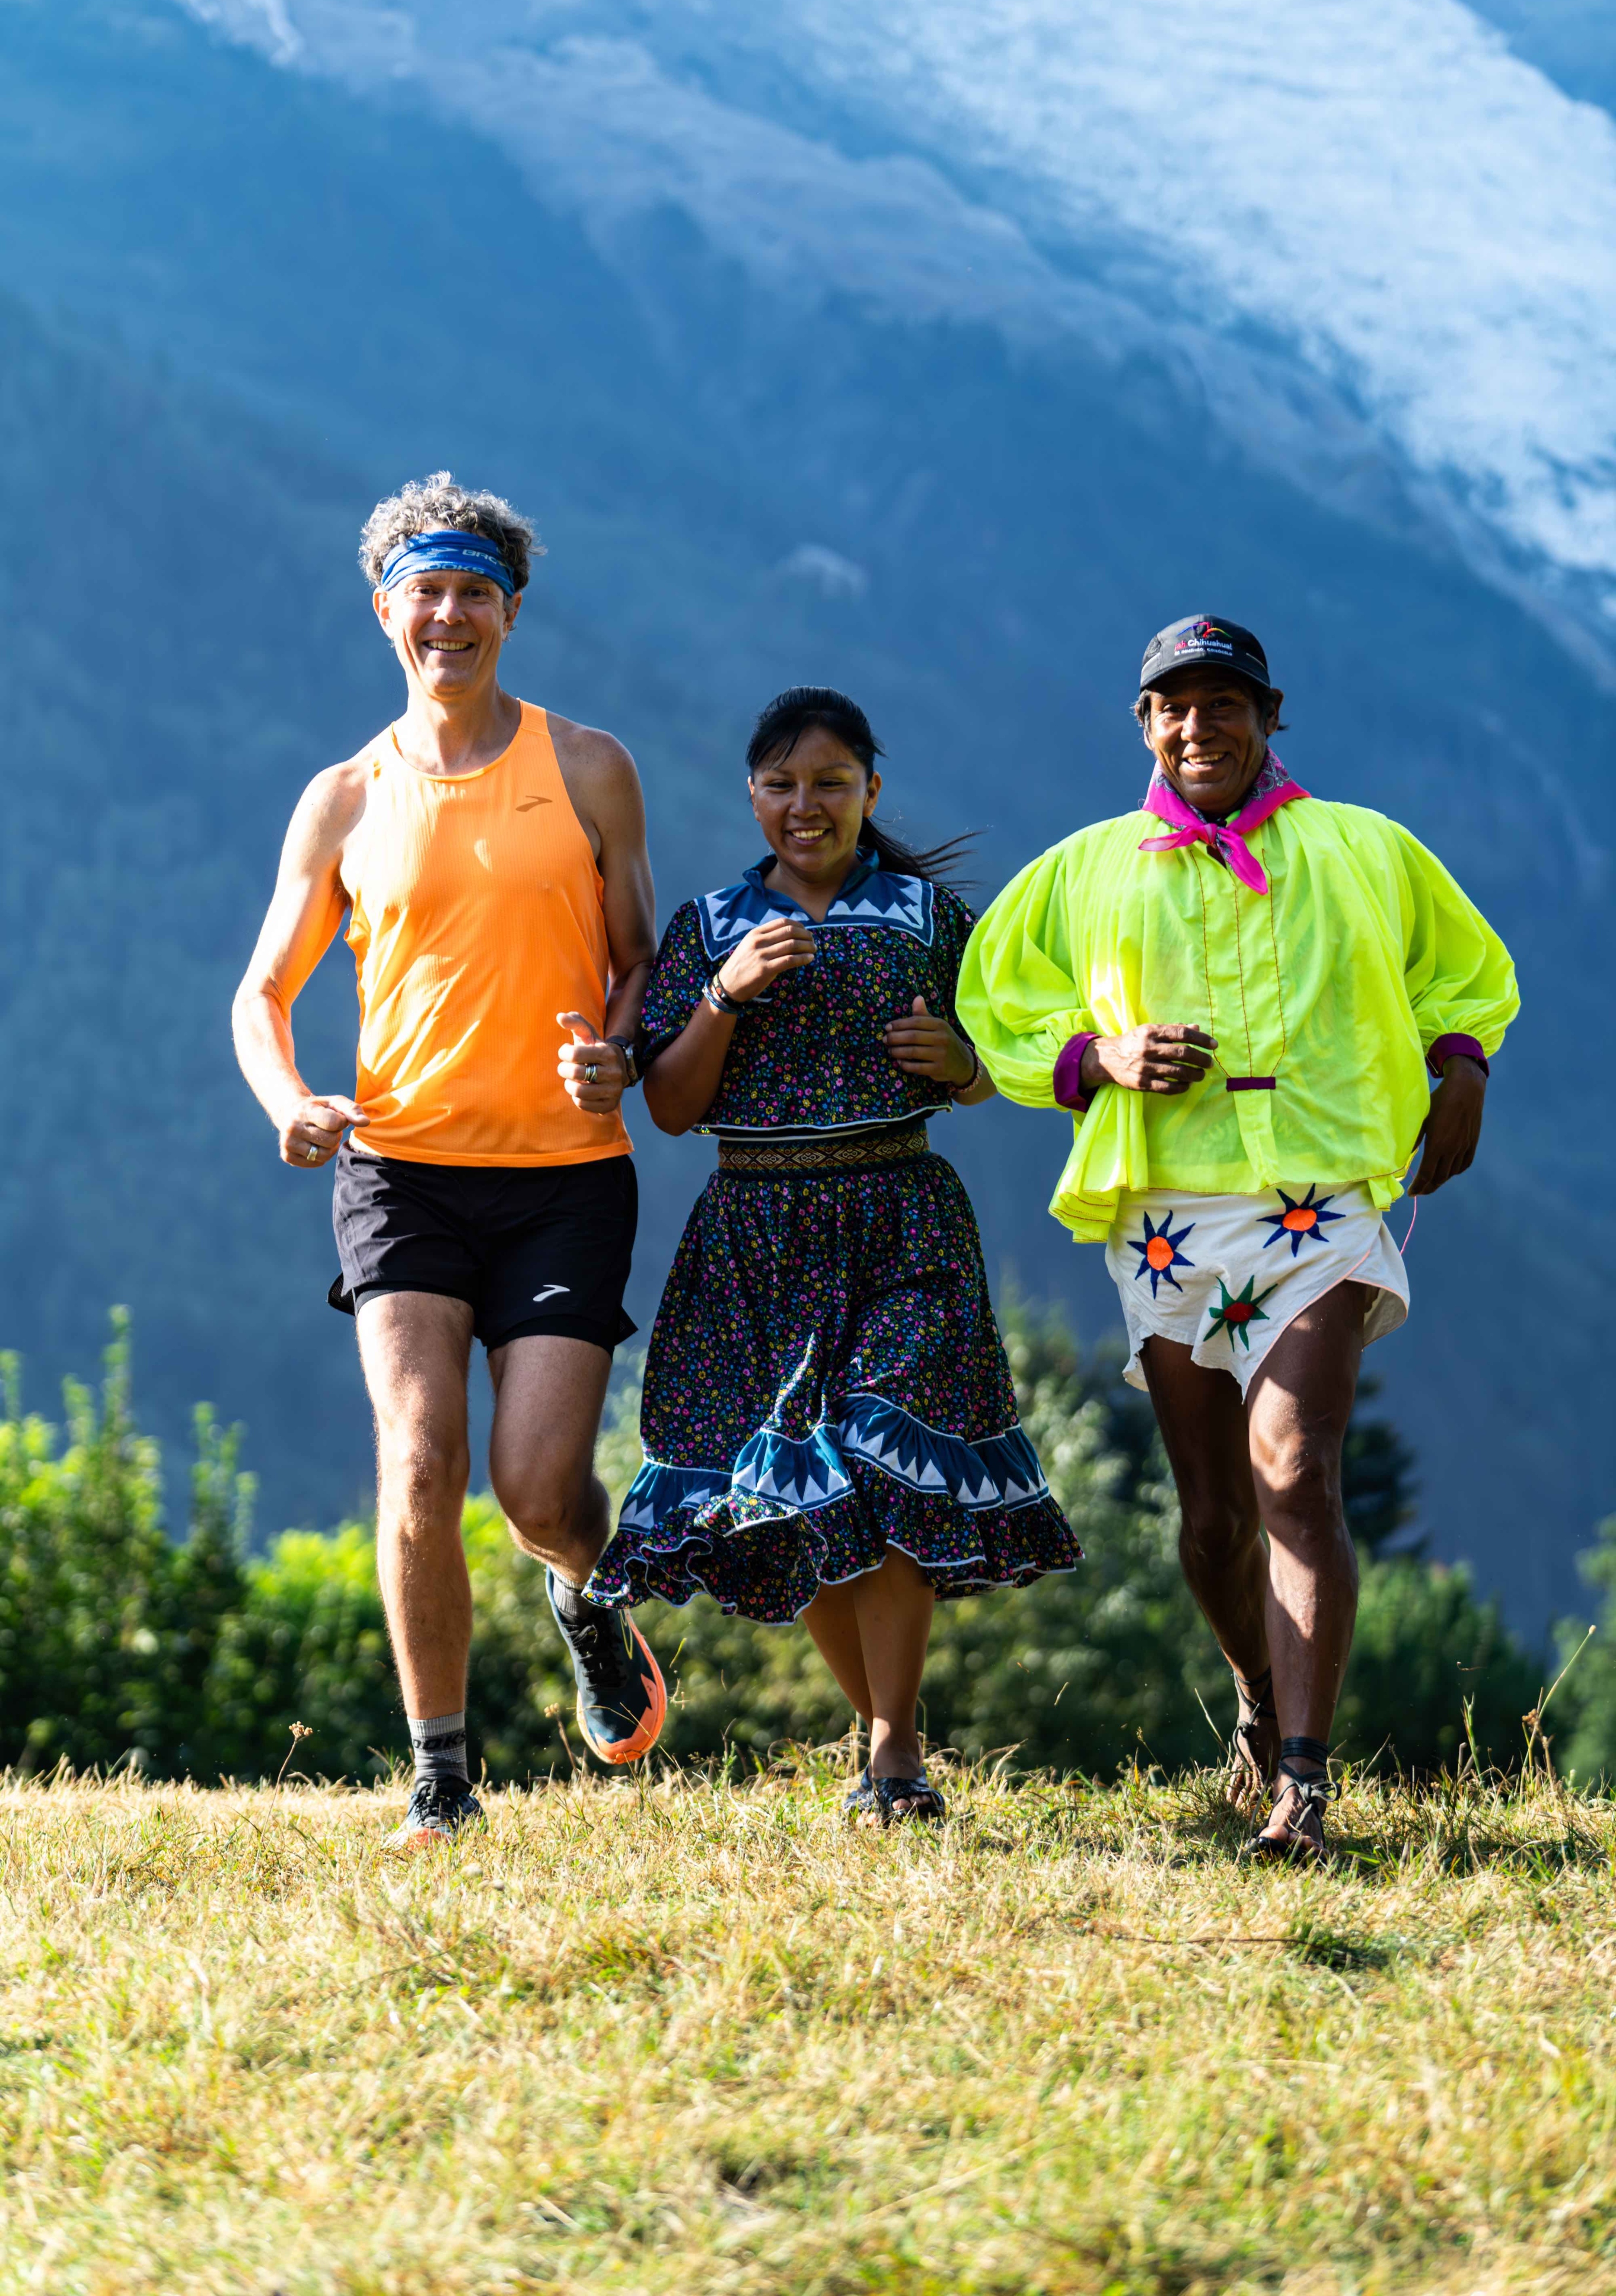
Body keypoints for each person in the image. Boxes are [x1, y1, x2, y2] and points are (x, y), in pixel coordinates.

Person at [956, 615, 1518, 1860]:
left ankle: (1305, 1788)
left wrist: (1461, 1062)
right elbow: (991, 995)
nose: (1197, 726)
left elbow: (1463, 966)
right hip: (1164, 1219)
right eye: (1173, 706)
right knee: (1211, 1512)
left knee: (1292, 1473)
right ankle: (1261, 1702)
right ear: (1143, 723)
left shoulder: (1366, 849)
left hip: (1321, 1204)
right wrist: (1093, 1057)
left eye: (1223, 704)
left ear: (1271, 719)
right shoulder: (1087, 869)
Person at [232, 473, 668, 1848]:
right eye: (425, 589)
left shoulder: (589, 765)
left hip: (565, 1176)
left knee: (540, 1488)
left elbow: (645, 956)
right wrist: (290, 1099)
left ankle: (587, 1600)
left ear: (511, 611)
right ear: (385, 611)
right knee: (418, 1460)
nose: (450, 612)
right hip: (402, 1170)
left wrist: (617, 1048)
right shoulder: (345, 796)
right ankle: (441, 1775)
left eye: (475, 589)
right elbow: (262, 993)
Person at [587, 687, 1082, 1824]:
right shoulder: (711, 927)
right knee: (790, 1492)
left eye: (828, 782)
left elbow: (1008, 1062)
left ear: (871, 788)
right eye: (779, 785)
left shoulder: (929, 918)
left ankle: (896, 1749)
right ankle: (882, 1744)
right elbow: (669, 1108)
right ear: (750, 794)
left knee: (882, 1450)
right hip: (754, 1234)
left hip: (901, 1217)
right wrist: (722, 997)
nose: (803, 805)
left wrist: (958, 1061)